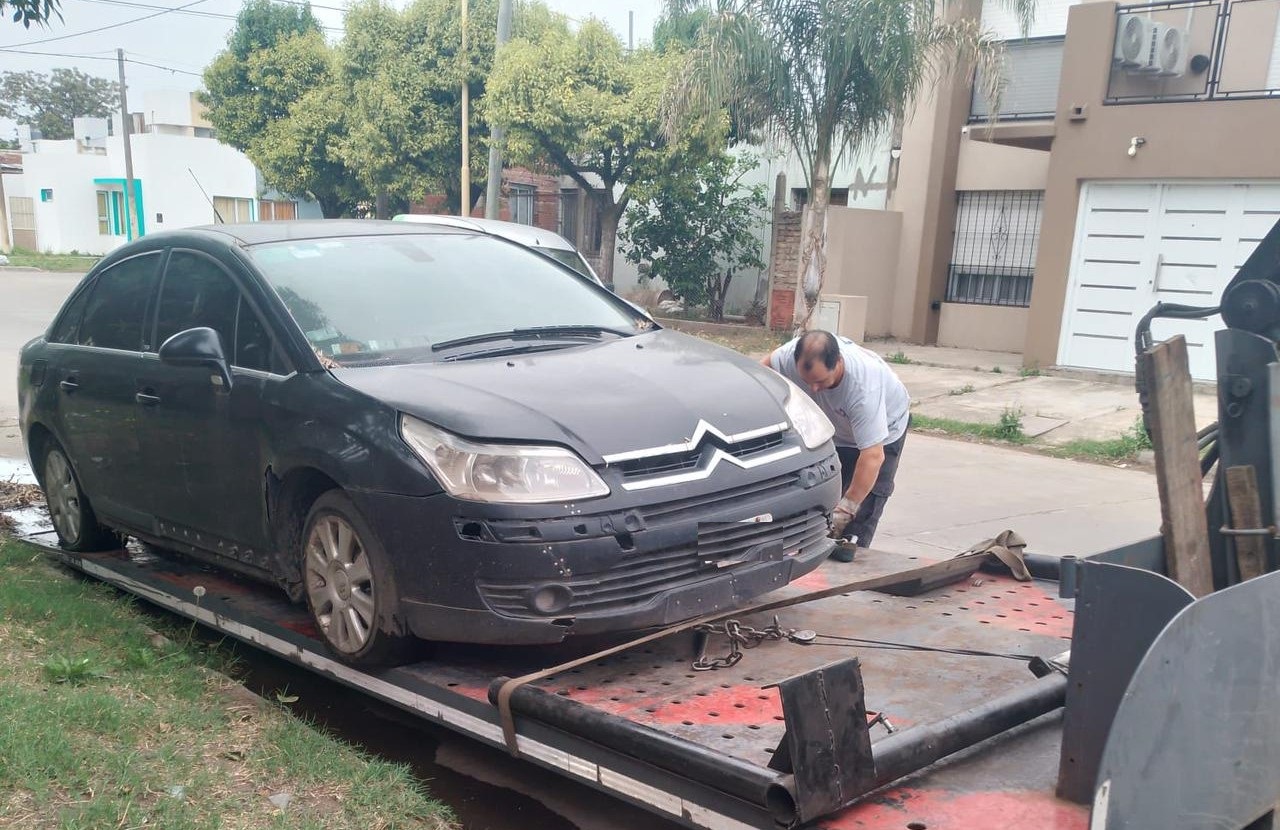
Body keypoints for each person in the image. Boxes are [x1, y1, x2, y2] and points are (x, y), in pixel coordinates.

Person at [762, 330, 910, 562]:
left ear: (839, 362)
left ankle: (850, 552)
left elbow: (873, 456)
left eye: (821, 381)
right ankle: (812, 553)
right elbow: (759, 377)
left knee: (862, 507)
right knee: (822, 491)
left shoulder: (863, 389)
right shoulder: (788, 356)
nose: (813, 389)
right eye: (807, 381)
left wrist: (846, 509)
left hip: (884, 432)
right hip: (834, 428)